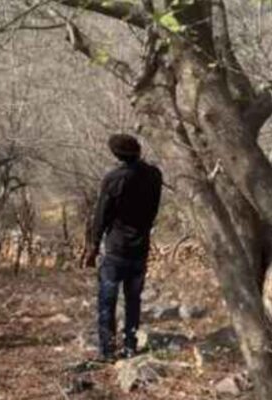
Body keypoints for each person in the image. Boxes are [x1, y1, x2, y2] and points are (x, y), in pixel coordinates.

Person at [86, 133, 162, 361]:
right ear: (138, 149)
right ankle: (130, 345)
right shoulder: (155, 175)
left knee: (107, 300)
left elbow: (101, 215)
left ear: (116, 155)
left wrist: (92, 246)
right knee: (133, 300)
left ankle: (108, 350)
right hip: (140, 247)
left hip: (116, 249)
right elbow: (153, 210)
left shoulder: (114, 179)